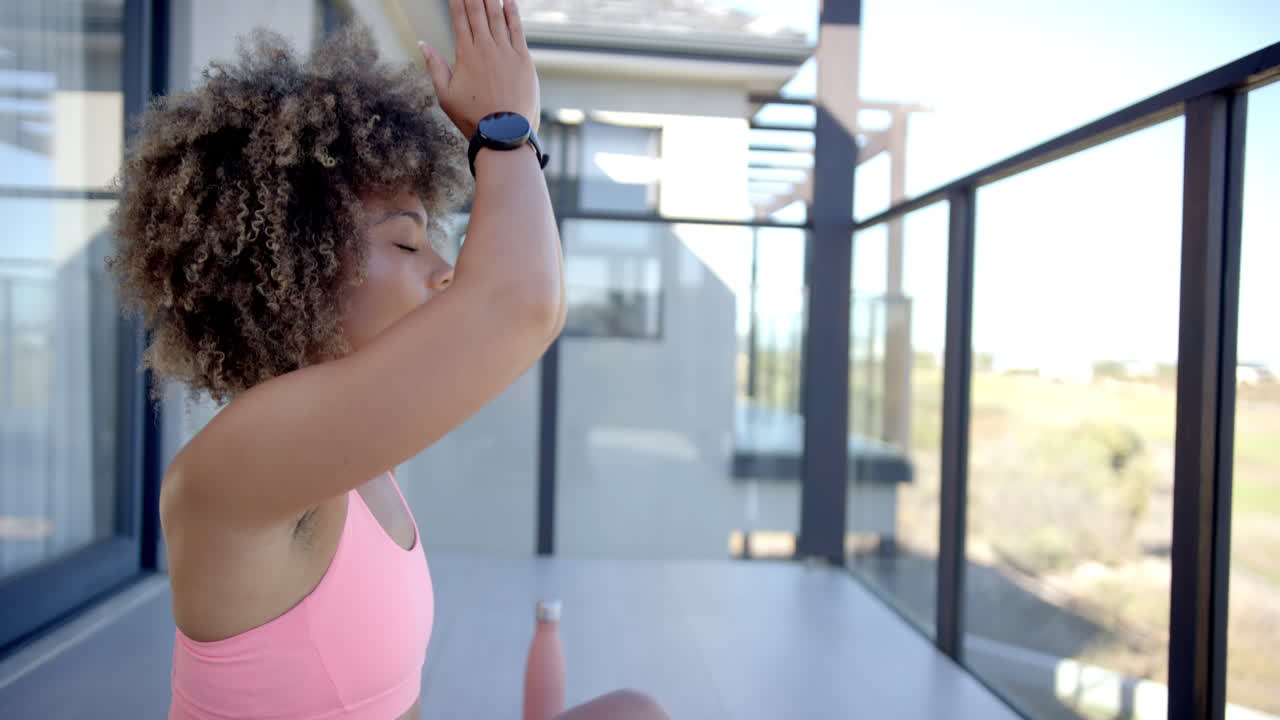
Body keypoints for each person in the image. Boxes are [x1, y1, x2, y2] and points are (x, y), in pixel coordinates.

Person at [107, 0, 669, 718]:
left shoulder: (358, 458)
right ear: (294, 264)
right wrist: (506, 132)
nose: (446, 272)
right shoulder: (238, 464)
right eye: (407, 242)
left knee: (633, 712)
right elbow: (519, 305)